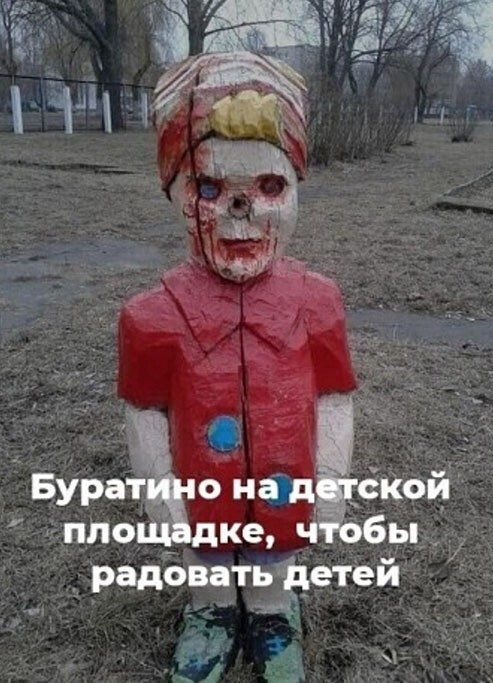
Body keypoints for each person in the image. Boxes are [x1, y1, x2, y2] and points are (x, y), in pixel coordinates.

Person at [118, 51, 356, 683]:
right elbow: (144, 410)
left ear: (296, 189)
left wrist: (331, 477)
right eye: (209, 188)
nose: (239, 209)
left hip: (284, 490)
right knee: (207, 559)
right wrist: (159, 487)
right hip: (203, 491)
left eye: (270, 187)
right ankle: (214, 610)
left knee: (274, 561)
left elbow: (334, 396)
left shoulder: (317, 302)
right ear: (177, 193)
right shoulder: (151, 316)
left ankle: (273, 609)